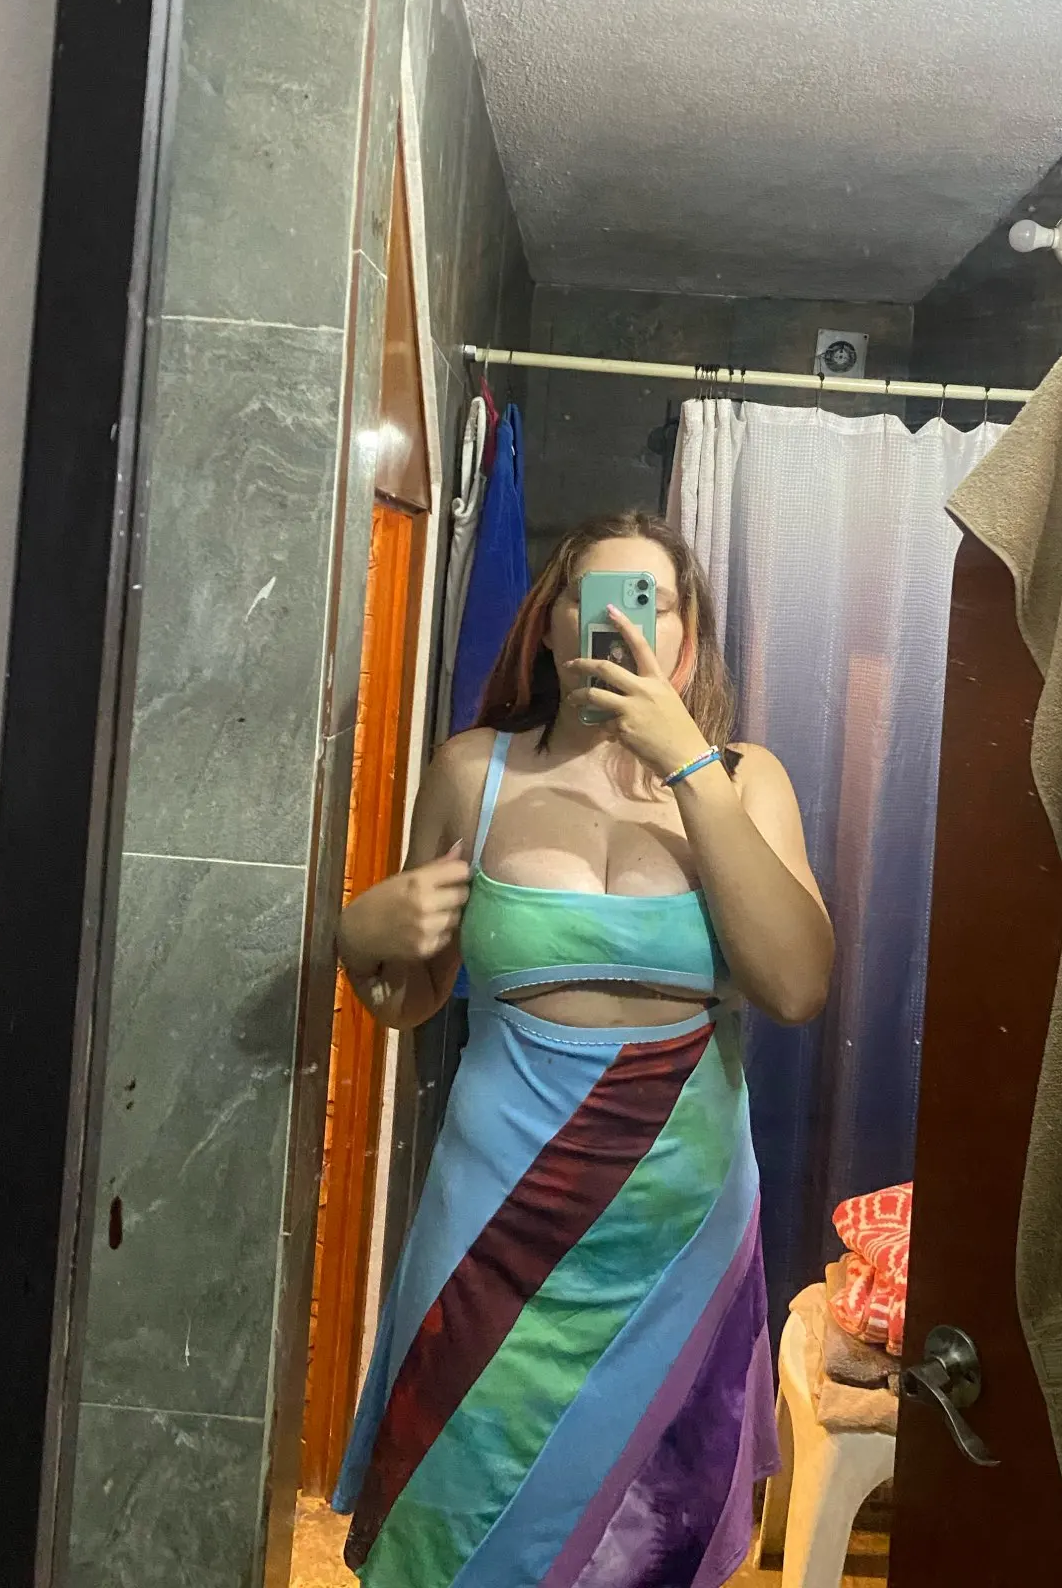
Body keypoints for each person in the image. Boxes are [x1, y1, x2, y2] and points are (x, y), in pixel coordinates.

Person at [332, 511, 833, 1588]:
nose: (616, 623)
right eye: (589, 595)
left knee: (647, 1539)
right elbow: (408, 998)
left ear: (687, 637)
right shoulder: (473, 772)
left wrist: (686, 762)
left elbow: (796, 986)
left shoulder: (745, 780)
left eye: (649, 602)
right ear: (550, 623)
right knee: (456, 1523)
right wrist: (359, 936)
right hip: (491, 1227)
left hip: (676, 1241)